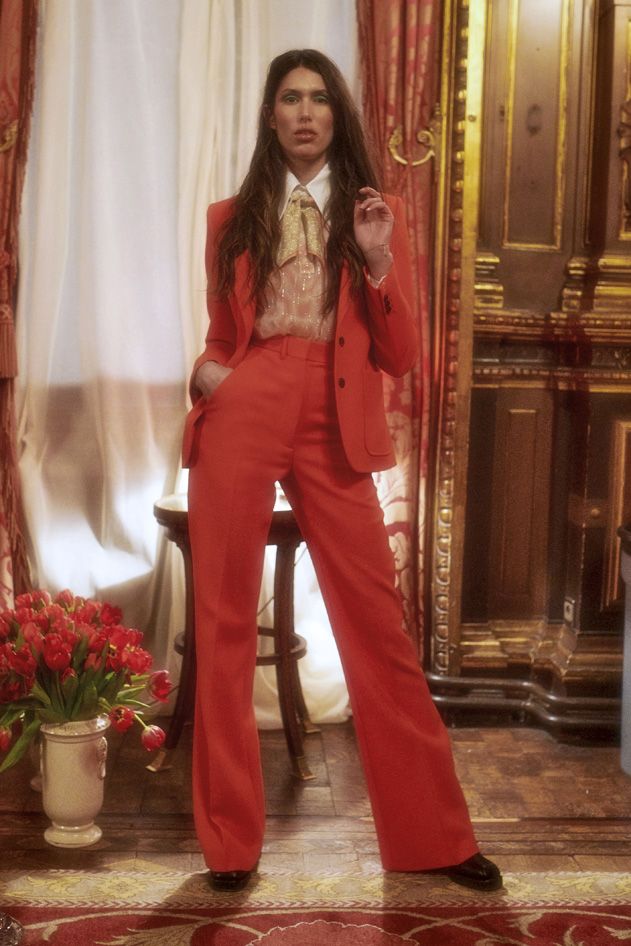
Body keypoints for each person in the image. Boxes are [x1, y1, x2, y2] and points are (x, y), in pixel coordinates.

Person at [183, 48, 501, 895]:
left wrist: (377, 261)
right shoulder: (228, 219)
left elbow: (398, 354)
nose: (304, 112)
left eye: (318, 99)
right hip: (246, 406)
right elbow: (223, 330)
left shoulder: (372, 216)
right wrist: (210, 371)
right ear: (270, 115)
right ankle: (228, 843)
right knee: (220, 621)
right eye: (289, 98)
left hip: (334, 410)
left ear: (337, 115)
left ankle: (433, 836)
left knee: (376, 626)